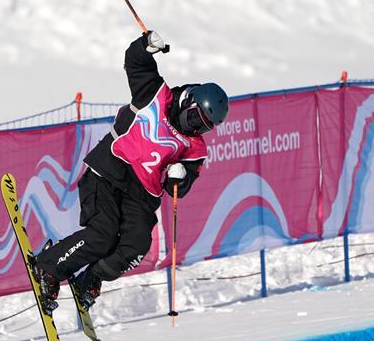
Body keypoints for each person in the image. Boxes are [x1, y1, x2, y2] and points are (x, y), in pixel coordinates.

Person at [32, 31, 229, 314]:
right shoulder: (156, 95)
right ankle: (49, 267)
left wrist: (180, 178)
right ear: (188, 101)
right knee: (103, 235)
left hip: (141, 195)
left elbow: (180, 188)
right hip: (108, 171)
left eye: (204, 127)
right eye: (195, 118)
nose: (195, 127)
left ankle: (91, 278)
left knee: (136, 246)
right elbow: (135, 62)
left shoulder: (194, 147)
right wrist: (145, 44)